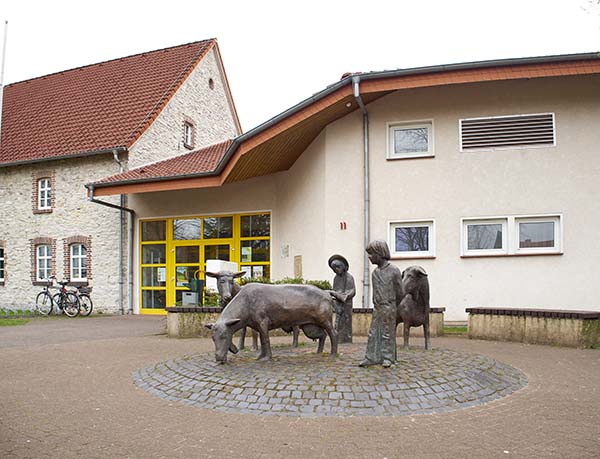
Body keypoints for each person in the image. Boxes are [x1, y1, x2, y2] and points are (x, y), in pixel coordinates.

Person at [359, 240, 403, 368]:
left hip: (389, 306)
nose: (369, 257)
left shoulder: (394, 270)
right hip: (377, 307)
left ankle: (388, 357)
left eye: (371, 254)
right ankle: (371, 357)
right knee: (373, 332)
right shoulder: (375, 273)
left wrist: (393, 305)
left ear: (379, 254)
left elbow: (400, 292)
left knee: (387, 332)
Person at [328, 254, 356, 343]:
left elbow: (352, 291)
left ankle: (346, 339)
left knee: (346, 321)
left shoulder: (349, 277)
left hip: (346, 304)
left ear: (344, 266)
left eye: (338, 267)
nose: (336, 270)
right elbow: (336, 290)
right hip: (338, 303)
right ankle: (338, 338)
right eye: (334, 268)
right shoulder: (336, 278)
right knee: (338, 322)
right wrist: (336, 295)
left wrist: (343, 295)